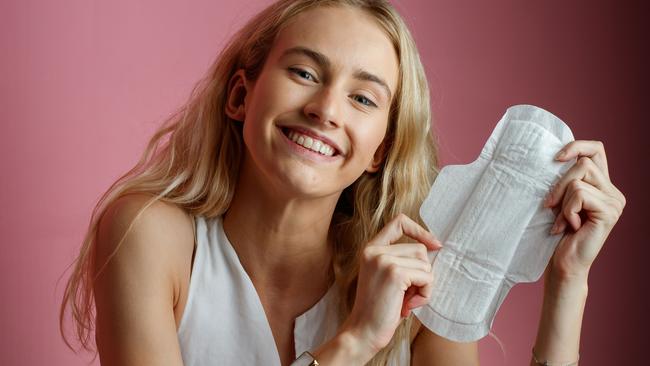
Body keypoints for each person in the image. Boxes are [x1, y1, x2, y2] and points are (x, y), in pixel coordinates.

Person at [59, 0, 626, 365]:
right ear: (240, 96)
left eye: (363, 98)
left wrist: (567, 284)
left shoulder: (424, 277)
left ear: (380, 148)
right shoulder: (149, 232)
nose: (326, 109)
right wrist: (354, 343)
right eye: (304, 72)